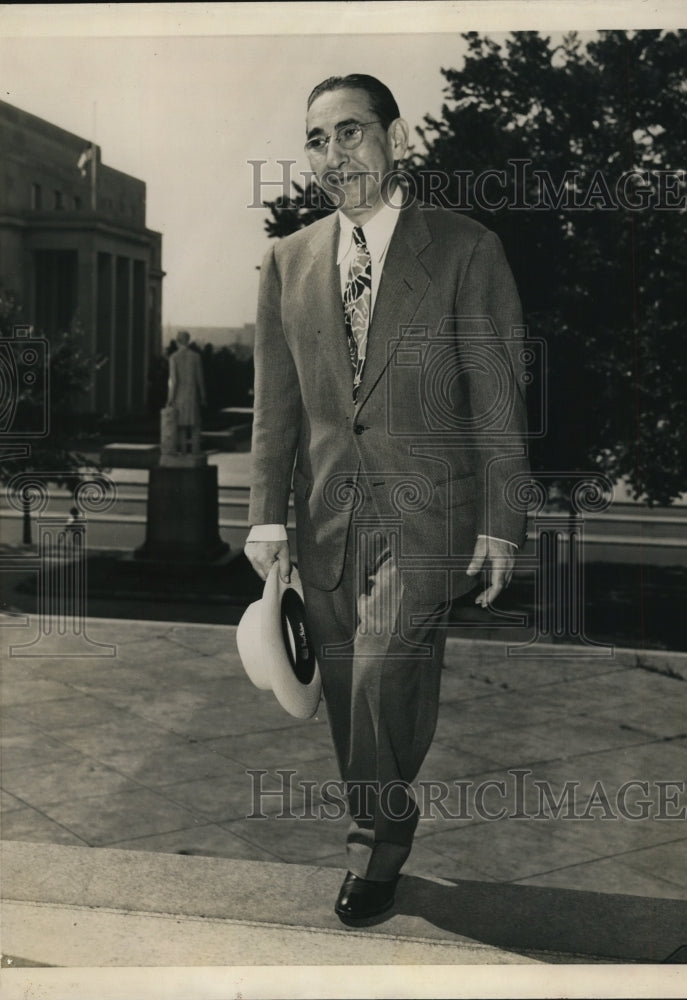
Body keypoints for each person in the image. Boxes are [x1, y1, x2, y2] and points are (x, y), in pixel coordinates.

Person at [245, 74, 529, 920]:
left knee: (379, 669)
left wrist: (502, 526)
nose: (336, 155)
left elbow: (499, 393)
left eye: (352, 133)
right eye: (317, 140)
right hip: (327, 515)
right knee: (346, 688)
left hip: (429, 513)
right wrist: (265, 513)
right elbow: (276, 401)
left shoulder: (464, 248)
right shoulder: (287, 260)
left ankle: (376, 851)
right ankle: (380, 818)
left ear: (394, 138)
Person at [167, 331, 206, 454]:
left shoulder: (174, 357)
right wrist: (204, 396)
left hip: (179, 396)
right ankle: (195, 452)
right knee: (195, 426)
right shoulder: (196, 357)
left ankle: (183, 454)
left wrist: (170, 399)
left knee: (181, 427)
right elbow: (200, 379)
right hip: (193, 395)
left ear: (178, 340)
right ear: (188, 340)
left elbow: (174, 381)